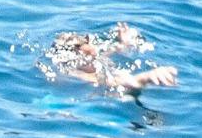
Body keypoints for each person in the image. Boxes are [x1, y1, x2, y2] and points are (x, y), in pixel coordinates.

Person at [41, 21, 178, 93]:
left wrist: (123, 43)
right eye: (89, 54)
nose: (95, 55)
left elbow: (107, 53)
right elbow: (108, 82)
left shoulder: (90, 58)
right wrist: (144, 78)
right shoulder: (71, 72)